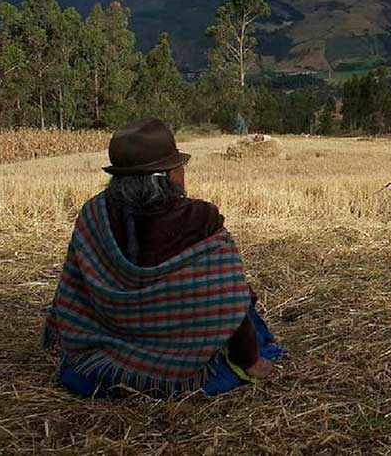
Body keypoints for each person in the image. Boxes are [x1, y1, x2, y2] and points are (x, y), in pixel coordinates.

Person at [44, 119, 281, 398]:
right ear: (167, 176)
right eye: (179, 167)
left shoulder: (94, 214)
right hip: (184, 365)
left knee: (80, 375)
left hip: (107, 357)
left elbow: (73, 289)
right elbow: (228, 298)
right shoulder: (199, 219)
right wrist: (249, 358)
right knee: (241, 300)